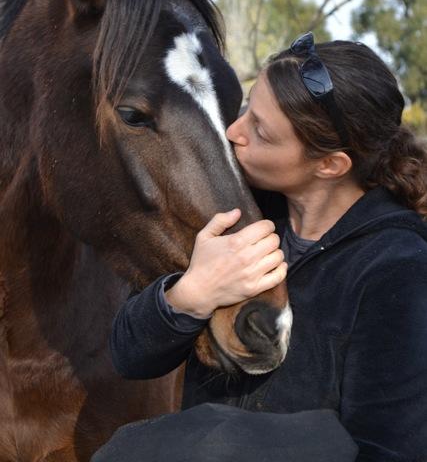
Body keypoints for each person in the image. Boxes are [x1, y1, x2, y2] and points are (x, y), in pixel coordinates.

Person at [110, 33, 427, 461]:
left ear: (330, 164)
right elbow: (130, 357)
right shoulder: (232, 213)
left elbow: (388, 449)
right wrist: (187, 297)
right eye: (246, 109)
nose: (232, 132)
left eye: (260, 130)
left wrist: (208, 444)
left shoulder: (398, 269)